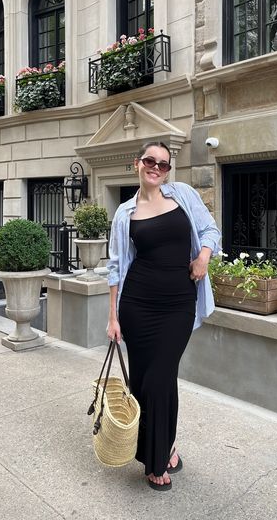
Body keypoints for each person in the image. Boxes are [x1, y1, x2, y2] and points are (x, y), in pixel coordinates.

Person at [106, 141, 221, 491]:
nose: (156, 167)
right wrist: (113, 318)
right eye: (150, 161)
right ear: (136, 164)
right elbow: (115, 268)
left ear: (169, 169)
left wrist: (202, 258)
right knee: (148, 380)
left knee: (159, 376)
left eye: (163, 164)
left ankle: (153, 459)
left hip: (177, 305)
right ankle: (164, 448)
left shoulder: (182, 195)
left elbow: (210, 231)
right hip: (137, 305)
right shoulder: (125, 213)